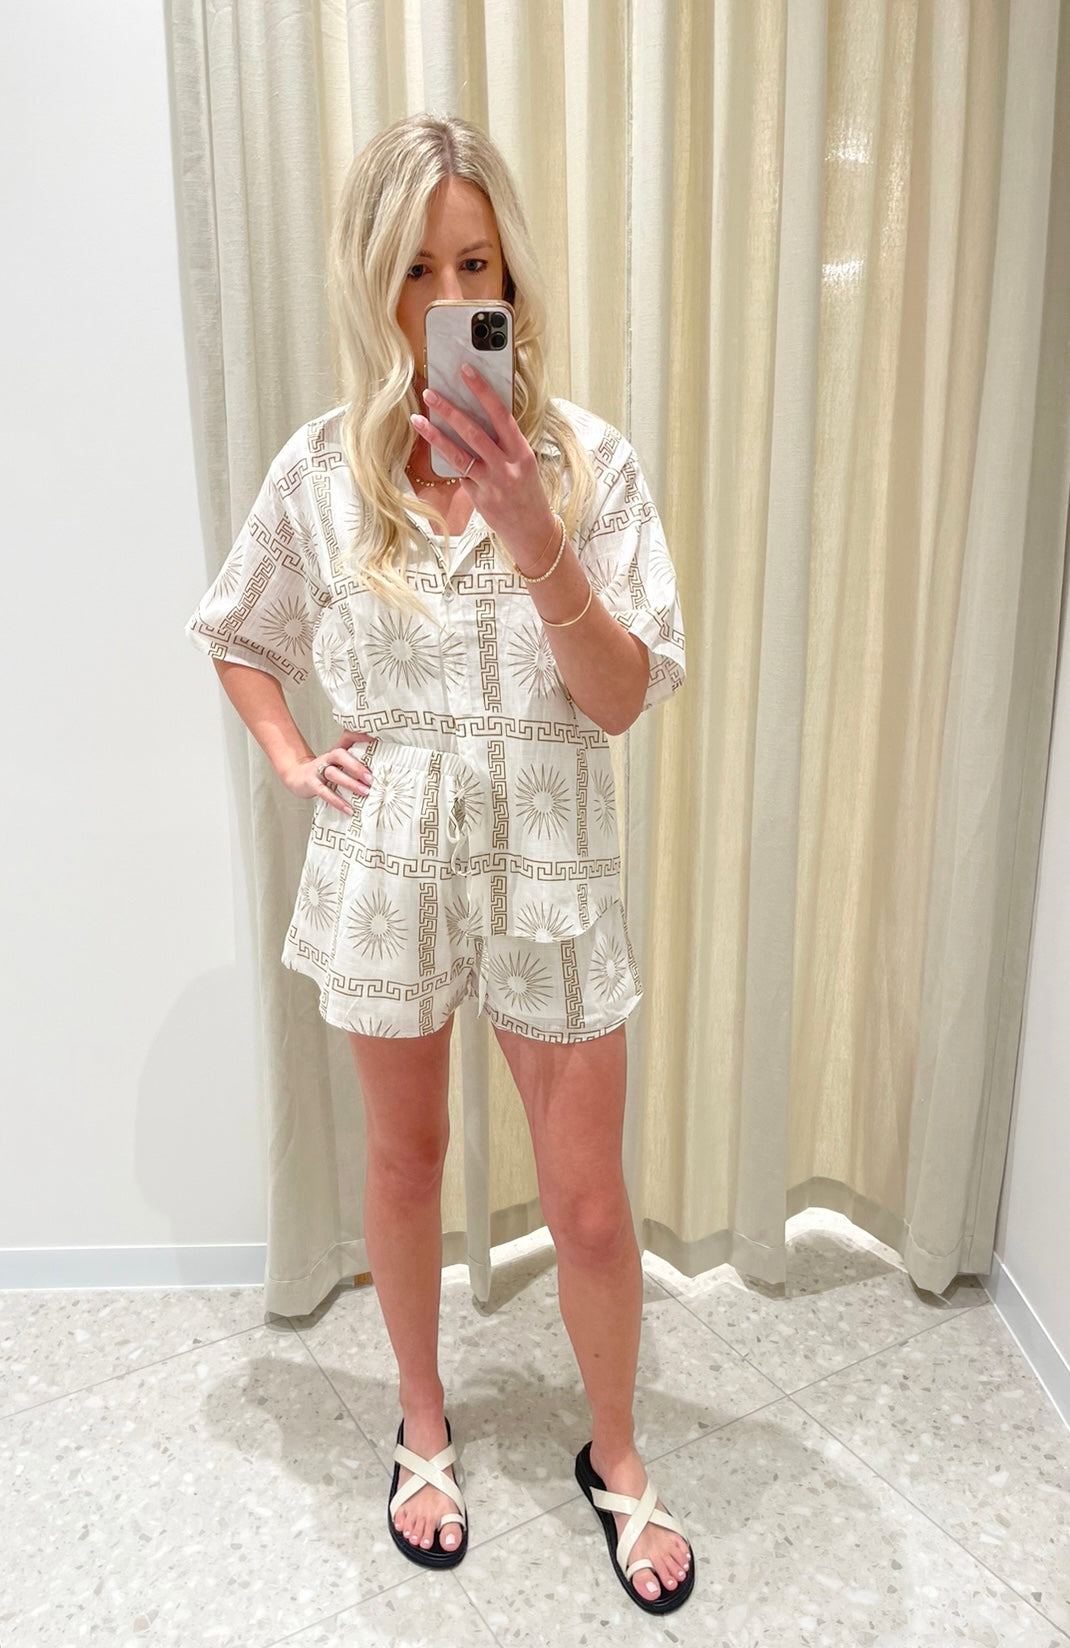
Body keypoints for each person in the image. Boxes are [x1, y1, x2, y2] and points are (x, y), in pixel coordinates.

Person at [186, 112, 692, 1614]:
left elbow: (620, 698)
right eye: (416, 268)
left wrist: (535, 531)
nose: (450, 294)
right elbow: (237, 633)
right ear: (373, 284)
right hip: (389, 855)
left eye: (475, 263)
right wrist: (295, 759)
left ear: (511, 277)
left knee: (587, 1206)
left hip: (549, 853)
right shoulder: (321, 472)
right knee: (405, 1163)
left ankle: (616, 1455)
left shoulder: (589, 467)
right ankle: (422, 1425)